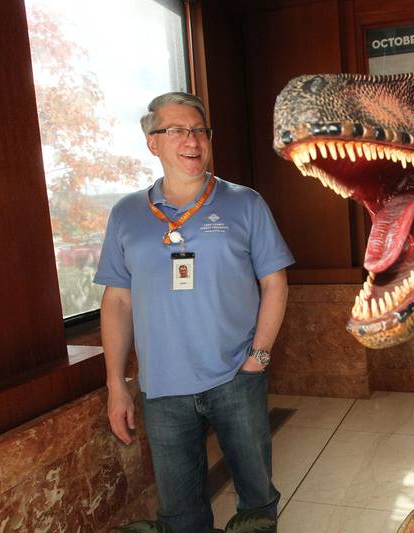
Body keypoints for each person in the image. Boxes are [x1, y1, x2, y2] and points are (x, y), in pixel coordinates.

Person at [94, 92, 293, 533]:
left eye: (199, 130)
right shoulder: (127, 214)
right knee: (181, 512)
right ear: (153, 142)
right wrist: (116, 386)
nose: (192, 140)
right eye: (177, 130)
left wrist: (258, 356)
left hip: (236, 377)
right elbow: (118, 301)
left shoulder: (245, 202)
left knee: (257, 500)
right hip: (162, 388)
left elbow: (274, 282)